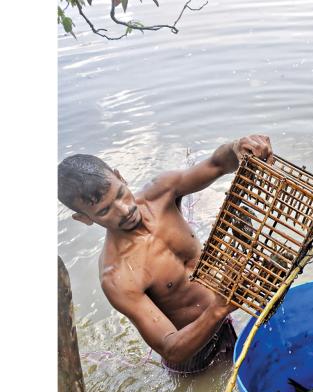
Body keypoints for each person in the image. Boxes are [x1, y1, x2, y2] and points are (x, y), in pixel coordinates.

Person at [57, 135, 273, 374]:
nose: (125, 209)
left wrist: (237, 148)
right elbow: (170, 347)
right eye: (106, 210)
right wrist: (219, 308)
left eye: (120, 194)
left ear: (120, 177)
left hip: (223, 317)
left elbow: (218, 164)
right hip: (194, 357)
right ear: (85, 219)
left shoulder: (162, 192)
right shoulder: (116, 276)